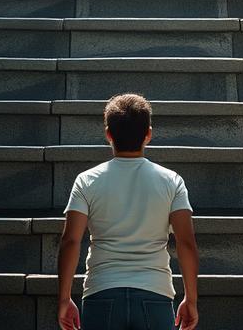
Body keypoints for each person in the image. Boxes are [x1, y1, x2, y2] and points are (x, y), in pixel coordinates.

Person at [56, 93, 199, 330]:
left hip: (101, 292)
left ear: (108, 134)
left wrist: (63, 299)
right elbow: (186, 243)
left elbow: (71, 240)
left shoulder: (86, 181)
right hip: (155, 293)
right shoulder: (172, 181)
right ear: (148, 134)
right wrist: (191, 299)